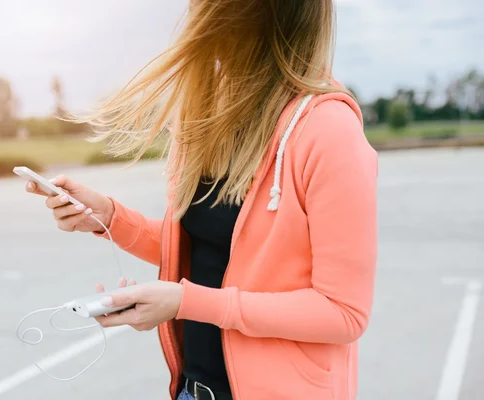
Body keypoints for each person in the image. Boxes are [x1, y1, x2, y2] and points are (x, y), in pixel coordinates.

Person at [26, 1, 378, 399]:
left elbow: (343, 313)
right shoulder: (213, 114)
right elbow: (208, 248)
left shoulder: (329, 131)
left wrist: (184, 301)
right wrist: (107, 217)